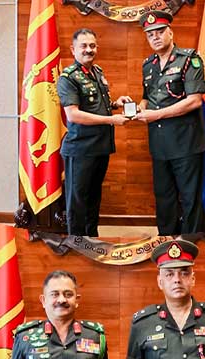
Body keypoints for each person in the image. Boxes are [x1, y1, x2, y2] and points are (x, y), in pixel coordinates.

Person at [135, 11, 205, 235]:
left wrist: (156, 115)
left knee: (189, 198)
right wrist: (139, 107)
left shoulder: (189, 60)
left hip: (185, 143)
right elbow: (147, 97)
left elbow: (194, 101)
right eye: (150, 35)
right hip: (159, 144)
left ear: (170, 32)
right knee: (164, 198)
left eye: (159, 32)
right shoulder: (148, 65)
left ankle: (190, 241)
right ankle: (167, 241)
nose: (155, 37)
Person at [56, 28, 131, 237]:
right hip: (80, 149)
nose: (89, 50)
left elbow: (96, 105)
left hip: (100, 147)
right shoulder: (68, 78)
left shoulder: (97, 72)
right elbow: (74, 115)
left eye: (92, 46)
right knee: (78, 202)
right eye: (84, 46)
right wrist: (111, 120)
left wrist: (116, 103)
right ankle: (78, 243)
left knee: (93, 198)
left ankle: (92, 240)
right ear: (73, 49)